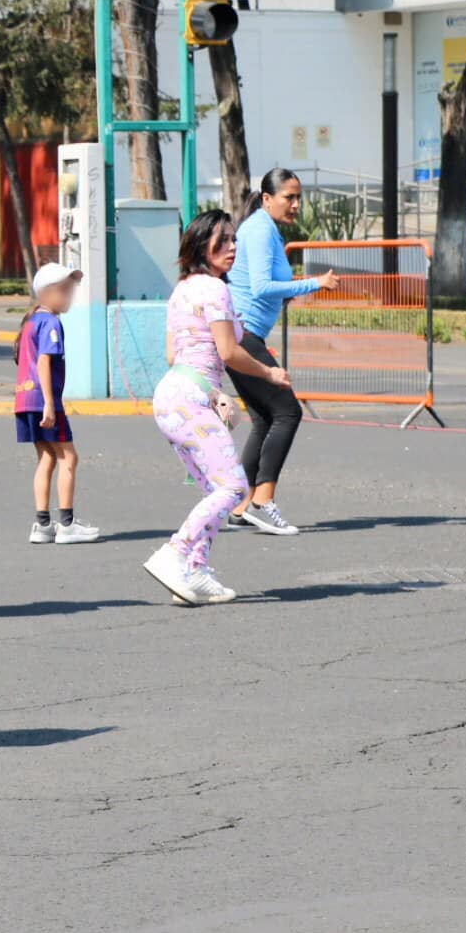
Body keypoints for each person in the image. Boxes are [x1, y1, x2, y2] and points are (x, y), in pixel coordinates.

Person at [147, 209, 293, 606]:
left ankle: (195, 572)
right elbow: (229, 352)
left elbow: (173, 352)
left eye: (234, 239)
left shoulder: (182, 289)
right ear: (201, 245)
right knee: (233, 486)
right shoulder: (214, 290)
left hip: (174, 395)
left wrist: (215, 394)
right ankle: (175, 554)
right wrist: (269, 373)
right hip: (188, 398)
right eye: (222, 240)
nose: (231, 247)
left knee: (216, 489)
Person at [223, 168, 336, 535]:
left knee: (264, 419)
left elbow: (269, 287)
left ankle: (240, 506)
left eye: (298, 197)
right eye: (289, 197)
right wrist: (314, 283)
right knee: (287, 411)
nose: (296, 204)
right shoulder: (258, 230)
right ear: (267, 198)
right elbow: (260, 287)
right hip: (243, 335)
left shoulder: (265, 229)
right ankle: (261, 500)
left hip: (245, 334)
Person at [17, 263, 97, 545]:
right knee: (69, 457)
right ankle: (66, 524)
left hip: (24, 399)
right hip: (43, 400)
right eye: (64, 291)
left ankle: (42, 525)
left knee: (47, 457)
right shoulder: (51, 322)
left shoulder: (31, 321)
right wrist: (50, 403)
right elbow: (43, 361)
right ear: (47, 293)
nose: (69, 296)